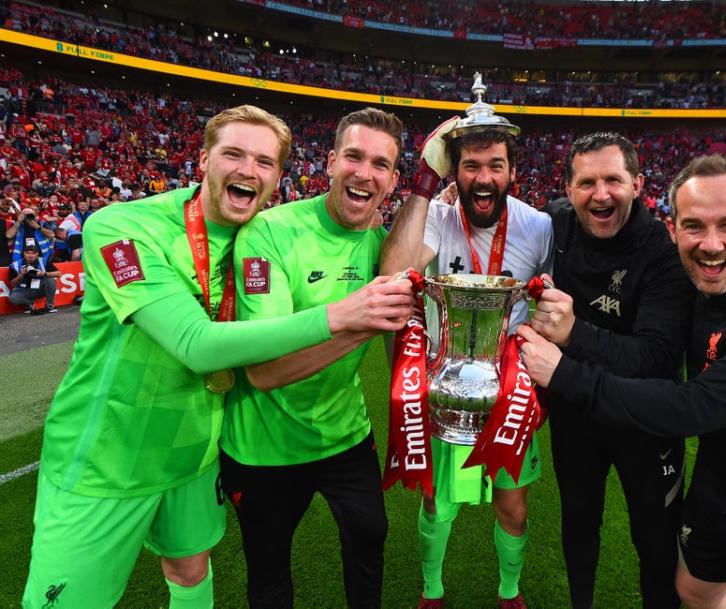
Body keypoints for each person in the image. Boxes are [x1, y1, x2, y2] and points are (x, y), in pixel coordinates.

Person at [23, 105, 374, 609]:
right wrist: (341, 317)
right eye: (233, 154)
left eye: (265, 161)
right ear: (204, 160)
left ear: (277, 177)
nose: (248, 170)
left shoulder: (258, 236)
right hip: (107, 460)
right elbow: (195, 344)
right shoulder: (122, 228)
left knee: (190, 569)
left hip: (194, 455)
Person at [518, 154, 726, 609]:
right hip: (720, 488)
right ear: (674, 229)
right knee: (695, 591)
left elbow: (691, 407)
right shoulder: (700, 290)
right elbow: (551, 211)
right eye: (695, 226)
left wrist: (562, 371)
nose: (711, 244)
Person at [218, 107, 414, 609]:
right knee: (268, 574)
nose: (363, 173)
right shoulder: (269, 232)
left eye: (380, 165)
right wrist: (361, 322)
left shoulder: (381, 247)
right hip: (264, 446)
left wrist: (432, 192)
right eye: (353, 156)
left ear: (392, 182)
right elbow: (263, 371)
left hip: (344, 435)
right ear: (329, 162)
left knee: (370, 542)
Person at [380, 116, 553, 609]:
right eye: (470, 165)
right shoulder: (435, 214)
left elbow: (551, 306)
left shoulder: (537, 226)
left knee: (513, 508)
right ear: (455, 171)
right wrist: (424, 182)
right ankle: (432, 591)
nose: (483, 177)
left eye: (495, 165)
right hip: (446, 384)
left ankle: (509, 591)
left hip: (511, 394)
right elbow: (394, 273)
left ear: (512, 172)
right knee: (438, 504)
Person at [532, 132, 693, 609]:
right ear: (567, 187)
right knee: (579, 520)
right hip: (576, 413)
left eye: (613, 180)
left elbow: (657, 360)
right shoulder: (555, 226)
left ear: (638, 184)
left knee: (655, 538)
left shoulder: (664, 254)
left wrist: (573, 334)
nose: (600, 194)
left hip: (646, 422)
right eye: (586, 182)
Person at [7, 243, 60, 314]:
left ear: (37, 254)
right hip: (25, 290)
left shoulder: (43, 261)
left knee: (50, 279)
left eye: (33, 253)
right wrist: (21, 274)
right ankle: (29, 304)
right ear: (24, 253)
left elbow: (58, 274)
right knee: (13, 297)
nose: (30, 255)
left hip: (41, 288)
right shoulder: (15, 265)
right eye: (28, 253)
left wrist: (43, 273)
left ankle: (49, 306)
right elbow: (12, 284)